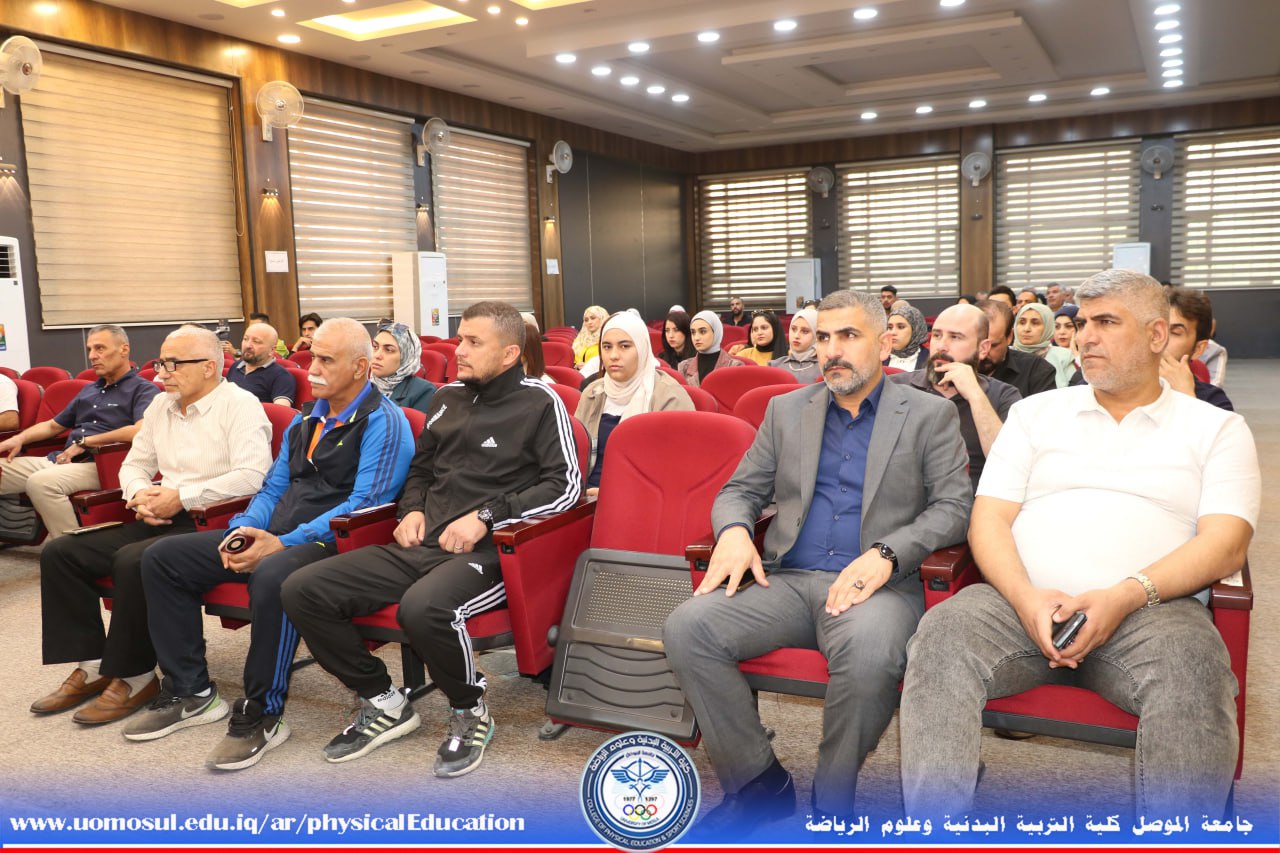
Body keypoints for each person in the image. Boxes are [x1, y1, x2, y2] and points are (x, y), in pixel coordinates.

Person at [899, 269, 1260, 821]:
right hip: (1017, 604)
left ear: (1156, 335)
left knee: (1194, 670)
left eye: (1107, 322)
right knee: (941, 637)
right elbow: (988, 520)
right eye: (1084, 322)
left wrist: (1123, 596)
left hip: (1153, 611)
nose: (1086, 336)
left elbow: (1227, 544)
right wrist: (1025, 597)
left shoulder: (1215, 429)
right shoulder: (1034, 414)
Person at [663, 289, 972, 837]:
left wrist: (888, 553)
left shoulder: (930, 414)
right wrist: (734, 532)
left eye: (848, 336)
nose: (833, 350)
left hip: (876, 588)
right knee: (688, 627)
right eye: (824, 338)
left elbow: (954, 507)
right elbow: (740, 491)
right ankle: (758, 785)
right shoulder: (787, 411)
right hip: (787, 578)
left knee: (870, 653)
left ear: (884, 343)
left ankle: (832, 798)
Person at [280, 301, 580, 777]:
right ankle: (383, 699)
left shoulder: (541, 404)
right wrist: (411, 510)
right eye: (461, 339)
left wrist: (487, 517)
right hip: (422, 543)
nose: (460, 350)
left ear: (509, 354)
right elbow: (420, 471)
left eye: (474, 342)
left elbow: (565, 487)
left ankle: (470, 708)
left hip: (494, 553)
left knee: (423, 608)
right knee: (303, 588)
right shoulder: (446, 399)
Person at [130, 319, 413, 769]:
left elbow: (364, 505)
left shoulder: (384, 421)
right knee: (162, 558)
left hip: (337, 542)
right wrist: (243, 529)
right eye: (313, 357)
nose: (311, 369)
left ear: (360, 368)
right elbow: (273, 487)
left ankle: (264, 713)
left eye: (326, 360)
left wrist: (281, 543)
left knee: (272, 573)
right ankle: (191, 691)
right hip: (278, 533)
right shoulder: (307, 417)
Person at [29, 326, 272, 727]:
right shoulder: (161, 405)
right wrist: (140, 494)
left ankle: (136, 675)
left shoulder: (240, 405)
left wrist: (182, 497)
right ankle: (95, 664)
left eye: (174, 364)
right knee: (62, 552)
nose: (162, 372)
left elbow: (252, 476)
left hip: (213, 521)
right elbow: (133, 464)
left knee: (132, 559)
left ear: (209, 366)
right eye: (162, 362)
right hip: (159, 513)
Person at [0, 325, 159, 541]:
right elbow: (53, 426)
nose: (92, 356)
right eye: (90, 350)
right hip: (62, 460)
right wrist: (18, 439)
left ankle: (70, 551)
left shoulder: (143, 389)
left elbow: (140, 430)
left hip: (105, 465)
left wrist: (87, 441)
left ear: (124, 349)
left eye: (100, 348)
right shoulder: (89, 390)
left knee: (41, 482)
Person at [890, 304, 1021, 491]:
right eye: (937, 335)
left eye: (955, 337)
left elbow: (1009, 465)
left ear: (983, 348)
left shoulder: (1004, 395)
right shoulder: (896, 387)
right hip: (909, 499)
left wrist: (975, 395)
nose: (941, 346)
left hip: (975, 501)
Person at [575, 312, 693, 495]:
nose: (614, 355)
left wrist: (613, 493)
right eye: (607, 347)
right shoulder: (592, 393)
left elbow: (676, 471)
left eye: (625, 346)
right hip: (585, 497)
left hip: (642, 498)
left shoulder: (669, 396)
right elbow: (574, 455)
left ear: (642, 348)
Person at [1162, 287, 1233, 411]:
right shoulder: (1126, 388)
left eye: (1175, 332)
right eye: (1154, 329)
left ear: (1198, 349)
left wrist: (1186, 397)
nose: (1159, 338)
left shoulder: (1214, 403)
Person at [977, 299, 1057, 398]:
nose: (984, 353)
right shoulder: (959, 365)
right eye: (978, 345)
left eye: (993, 345)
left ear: (1009, 337)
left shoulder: (1036, 370)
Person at [371, 321, 437, 413]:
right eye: (375, 347)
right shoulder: (360, 386)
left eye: (389, 350)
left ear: (406, 357)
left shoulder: (424, 391)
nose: (377, 355)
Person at [226, 322, 294, 406]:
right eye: (245, 339)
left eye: (256, 341)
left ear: (272, 350)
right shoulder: (235, 367)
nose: (248, 345)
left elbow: (281, 410)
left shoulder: (281, 376)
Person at [1014, 303, 1077, 388]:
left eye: (1035, 323)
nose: (1026, 329)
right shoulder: (1004, 356)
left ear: (1048, 327)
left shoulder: (1063, 357)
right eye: (1022, 322)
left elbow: (1074, 391)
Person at [677, 311, 741, 387]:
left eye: (702, 331)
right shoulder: (683, 367)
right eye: (693, 332)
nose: (696, 338)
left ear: (716, 332)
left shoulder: (735, 366)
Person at [769, 307, 820, 383]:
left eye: (805, 331)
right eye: (793, 329)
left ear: (816, 335)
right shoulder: (775, 365)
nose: (796, 336)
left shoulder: (825, 368)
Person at [884, 304, 929, 371]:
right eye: (890, 327)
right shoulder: (879, 358)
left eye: (901, 327)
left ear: (915, 330)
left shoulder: (931, 359)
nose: (892, 332)